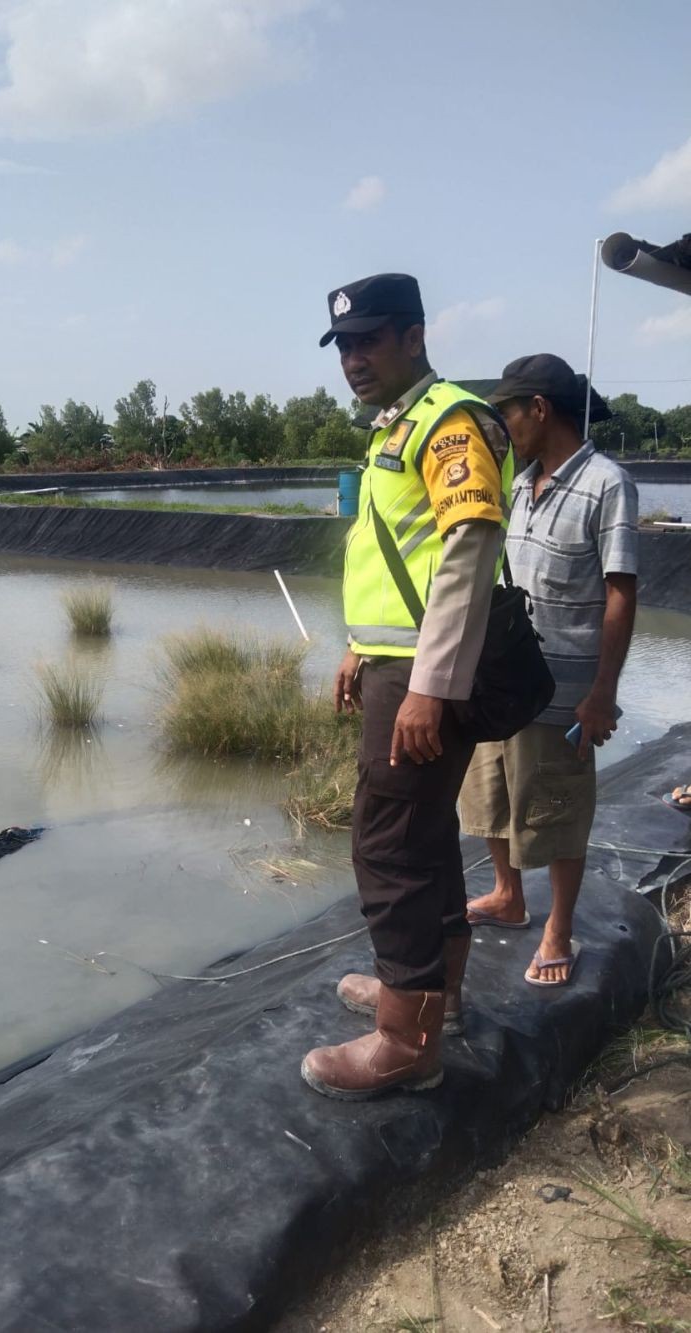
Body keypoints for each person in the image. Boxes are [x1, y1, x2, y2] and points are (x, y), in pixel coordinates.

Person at [301, 273, 514, 1101]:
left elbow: (467, 545)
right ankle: (435, 996)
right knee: (422, 839)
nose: (353, 359)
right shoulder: (398, 425)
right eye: (345, 346)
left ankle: (403, 1039)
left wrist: (430, 684)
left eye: (370, 341)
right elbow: (399, 552)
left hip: (425, 673)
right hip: (396, 662)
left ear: (415, 337)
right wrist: (360, 646)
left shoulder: (449, 420)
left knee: (387, 846)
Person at [459, 354, 639, 985]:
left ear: (540, 408)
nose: (503, 426)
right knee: (487, 797)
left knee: (559, 811)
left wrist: (602, 694)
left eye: (508, 411)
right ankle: (508, 896)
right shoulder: (518, 482)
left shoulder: (607, 484)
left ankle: (558, 928)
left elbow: (621, 592)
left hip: (565, 694)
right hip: (504, 679)